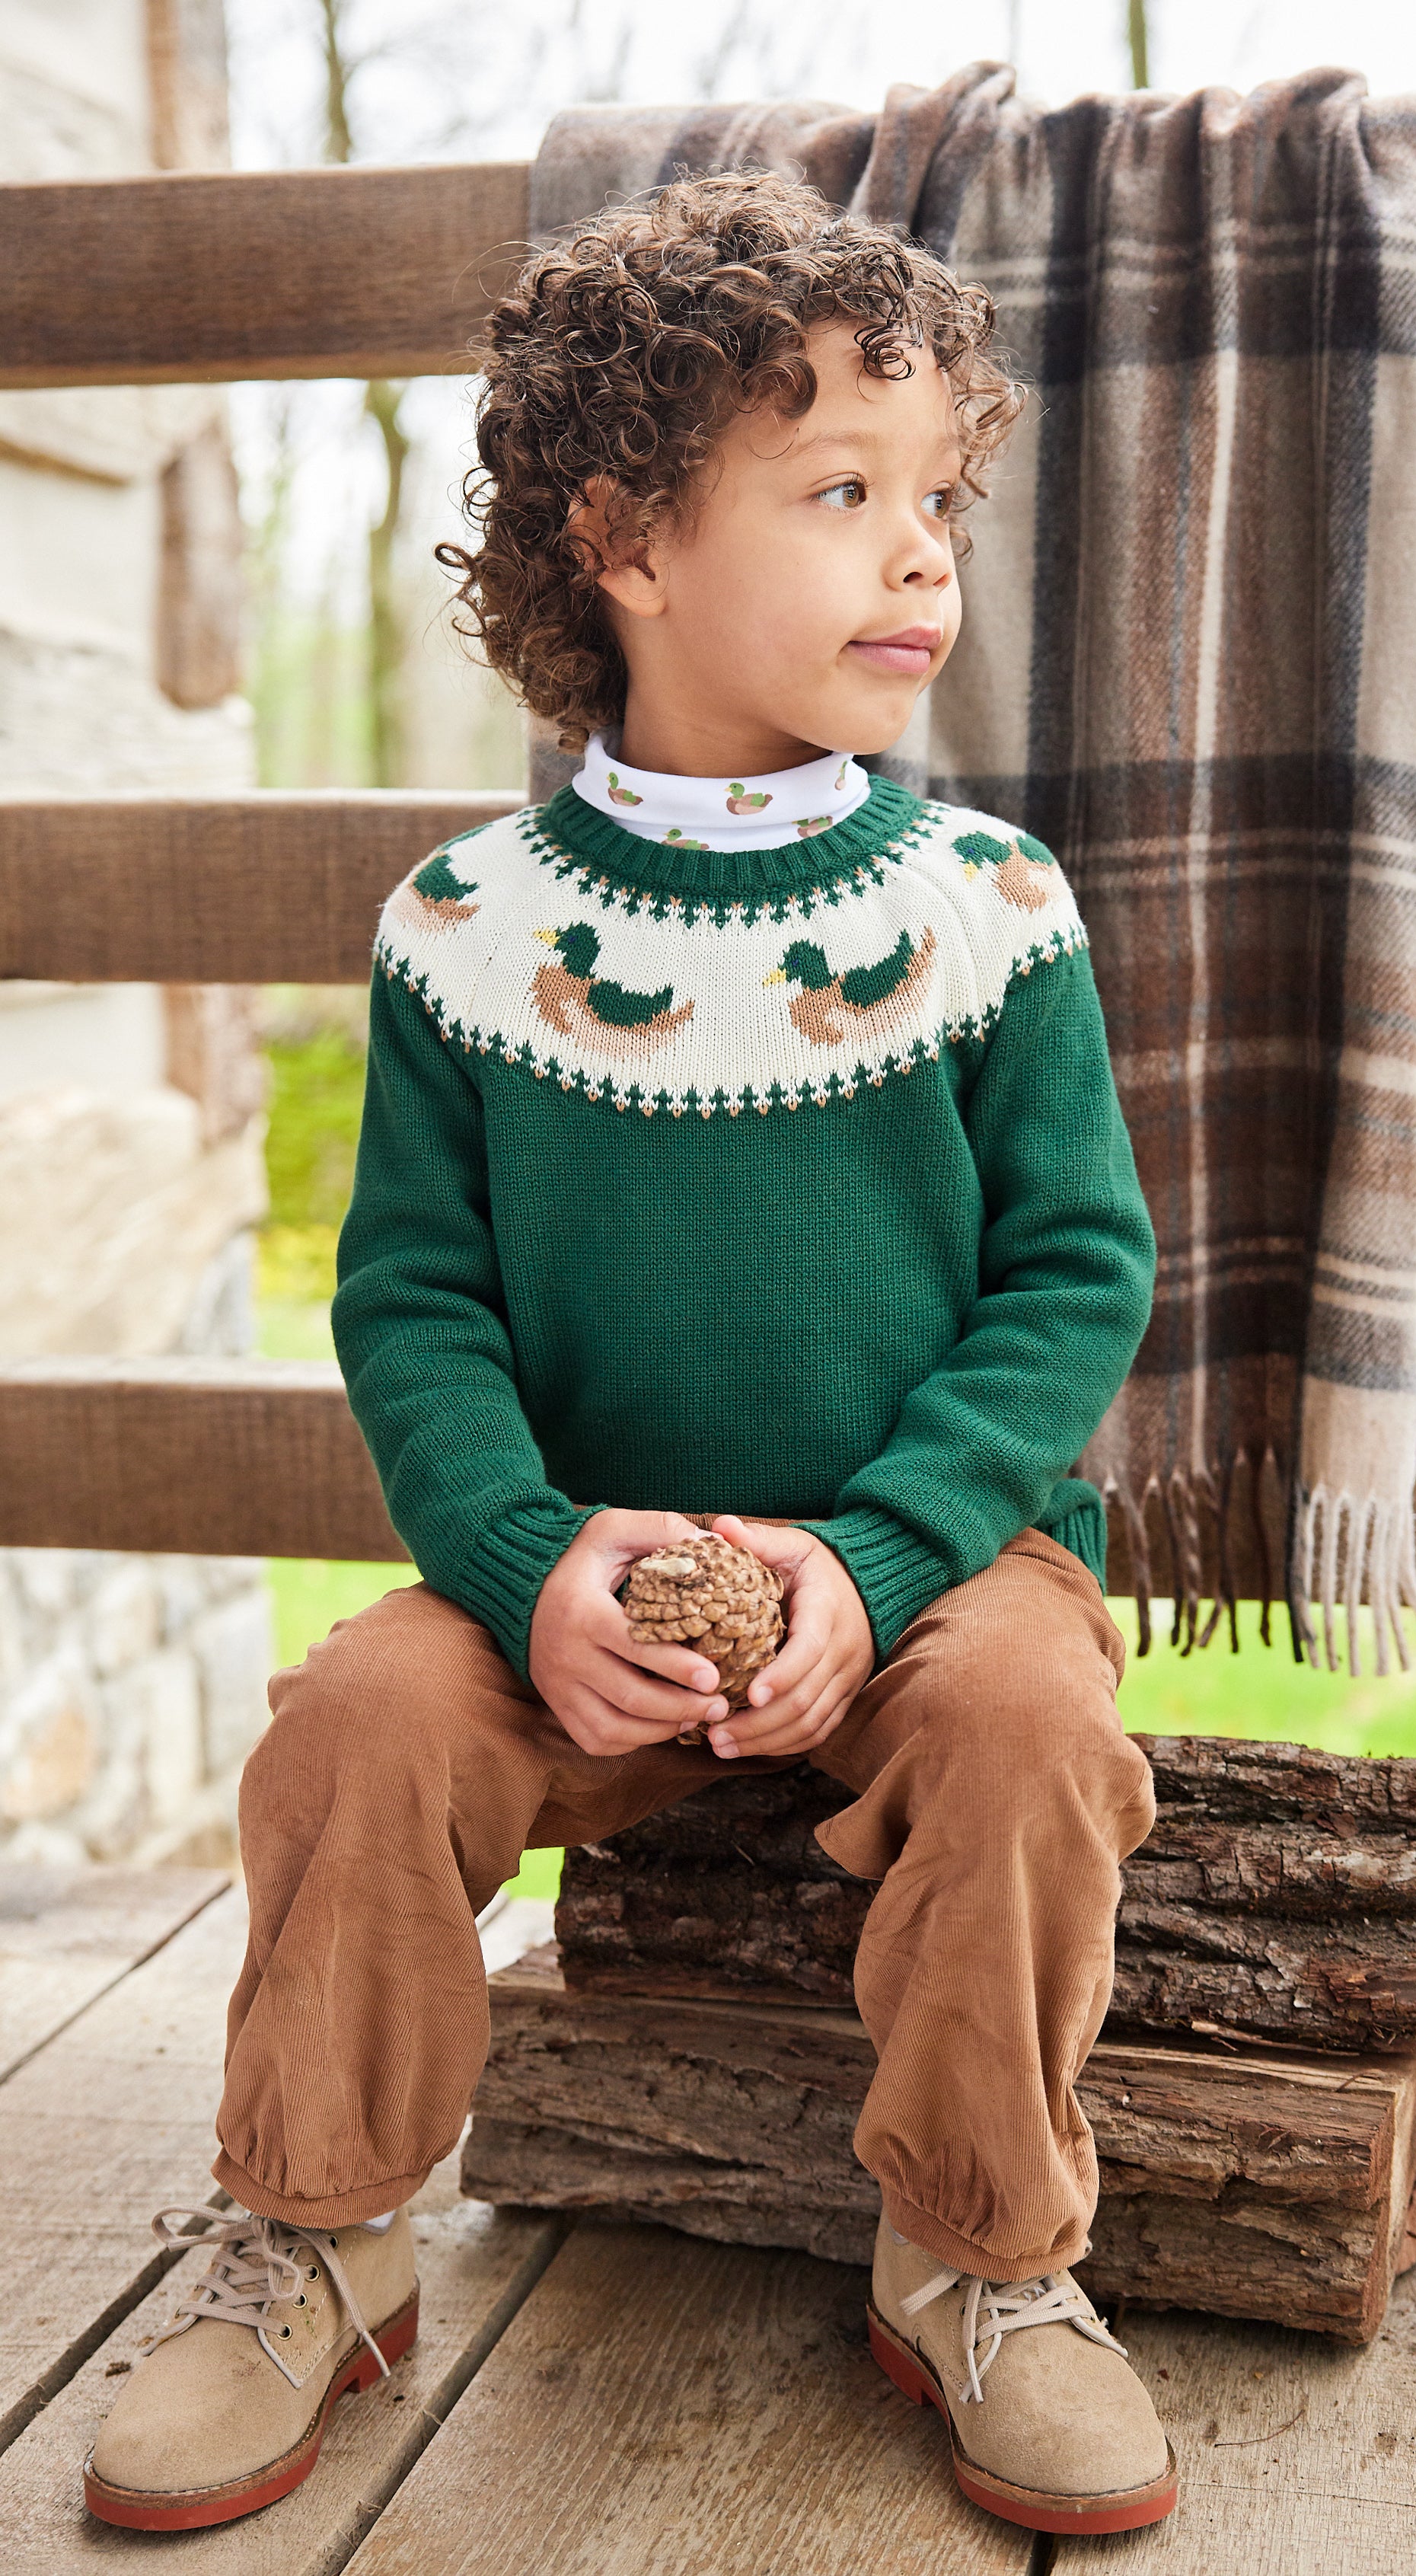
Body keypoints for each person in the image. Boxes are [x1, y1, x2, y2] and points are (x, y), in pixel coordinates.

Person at [84, 170, 1172, 2541]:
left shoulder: (983, 912)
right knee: (353, 1722)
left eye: (941, 501)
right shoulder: (469, 931)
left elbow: (1077, 1274)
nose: (922, 559)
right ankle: (320, 2230)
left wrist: (883, 1564)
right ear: (628, 541)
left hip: (931, 1565)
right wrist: (521, 1557)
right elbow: (414, 1297)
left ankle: (981, 2257)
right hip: (569, 1576)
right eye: (843, 493)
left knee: (1032, 1732)